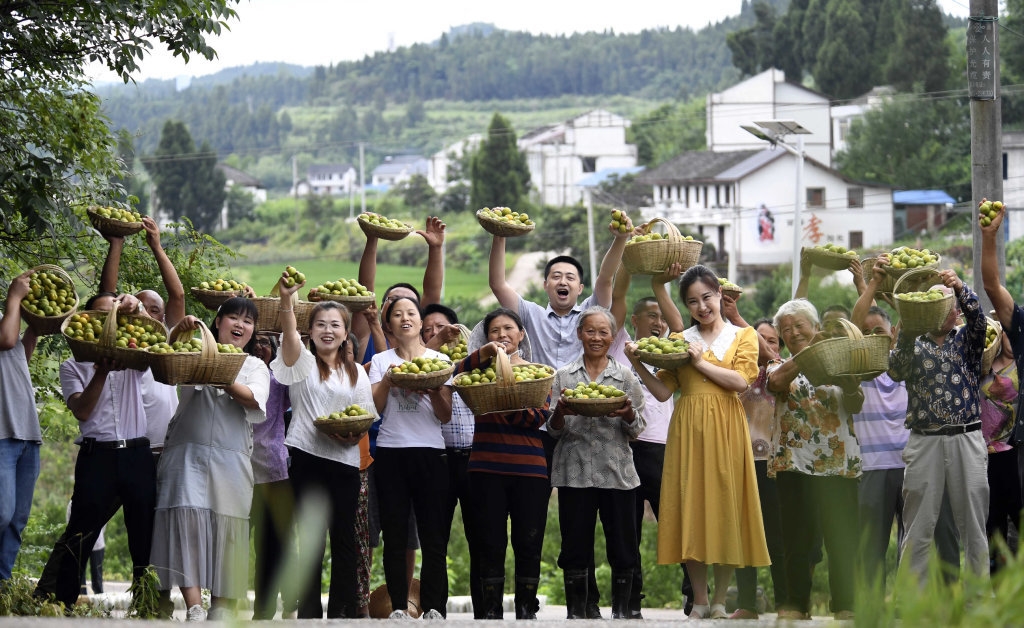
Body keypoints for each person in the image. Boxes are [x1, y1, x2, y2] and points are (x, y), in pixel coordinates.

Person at [488, 216, 632, 617]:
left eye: (570, 276)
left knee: (594, 512)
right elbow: (499, 284)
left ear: (580, 288)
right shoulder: (530, 314)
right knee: (539, 516)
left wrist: (620, 239)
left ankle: (601, 603)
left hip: (587, 426)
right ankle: (539, 602)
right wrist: (500, 235)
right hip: (542, 427)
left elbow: (607, 277)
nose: (563, 281)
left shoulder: (591, 316)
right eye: (556, 276)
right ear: (547, 284)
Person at [625, 264, 768, 620]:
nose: (702, 307)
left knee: (726, 508)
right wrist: (637, 364)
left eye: (707, 297)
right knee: (692, 509)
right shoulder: (679, 339)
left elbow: (739, 383)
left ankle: (721, 600)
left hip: (727, 428)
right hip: (688, 428)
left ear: (720, 295)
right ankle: (700, 601)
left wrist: (700, 363)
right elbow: (661, 392)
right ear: (686, 306)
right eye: (692, 302)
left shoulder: (743, 336)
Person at [149, 298, 270, 621]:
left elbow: (253, 398)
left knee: (227, 527)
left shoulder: (255, 366)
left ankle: (220, 606)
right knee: (186, 523)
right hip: (187, 452)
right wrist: (181, 333)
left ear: (253, 330)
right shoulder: (194, 353)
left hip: (232, 460)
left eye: (248, 321)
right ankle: (194, 606)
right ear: (218, 322)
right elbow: (168, 363)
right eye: (233, 317)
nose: (240, 325)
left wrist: (223, 375)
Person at [35, 292, 156, 610]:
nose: (109, 323)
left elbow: (158, 341)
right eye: (102, 316)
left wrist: (138, 307)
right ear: (86, 321)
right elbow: (82, 411)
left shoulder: (134, 355)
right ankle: (62, 602)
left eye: (115, 315)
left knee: (143, 533)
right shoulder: (72, 366)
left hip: (136, 455)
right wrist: (101, 371)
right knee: (80, 532)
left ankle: (146, 604)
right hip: (96, 457)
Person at [272, 276, 374, 619]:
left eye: (335, 325)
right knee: (310, 542)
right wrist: (288, 300)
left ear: (346, 333)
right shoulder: (299, 363)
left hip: (345, 462)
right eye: (320, 325)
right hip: (306, 458)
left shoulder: (357, 373)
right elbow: (288, 334)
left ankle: (342, 613)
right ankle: (310, 614)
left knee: (344, 540)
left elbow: (366, 416)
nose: (327, 331)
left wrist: (349, 435)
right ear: (311, 331)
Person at [850, 282, 961, 588]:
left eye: (880, 331)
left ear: (893, 332)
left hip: (914, 463)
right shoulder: (857, 366)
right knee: (871, 544)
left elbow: (912, 322)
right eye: (867, 332)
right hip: (873, 466)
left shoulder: (910, 362)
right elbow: (855, 320)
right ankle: (870, 608)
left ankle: (909, 605)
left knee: (916, 542)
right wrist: (871, 285)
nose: (874, 336)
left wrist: (903, 301)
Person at [887, 259, 988, 583]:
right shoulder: (912, 344)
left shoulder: (967, 340)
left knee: (974, 524)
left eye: (954, 305)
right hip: (925, 439)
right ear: (931, 309)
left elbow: (979, 320)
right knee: (918, 524)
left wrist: (960, 287)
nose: (955, 311)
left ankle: (978, 599)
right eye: (947, 306)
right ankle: (909, 600)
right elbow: (896, 370)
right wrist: (907, 329)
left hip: (967, 437)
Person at [766, 299, 862, 621]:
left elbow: (856, 402)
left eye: (800, 326)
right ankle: (796, 603)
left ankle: (846, 604)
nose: (793, 333)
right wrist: (809, 355)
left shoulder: (840, 362)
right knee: (797, 538)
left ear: (816, 328)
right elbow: (776, 384)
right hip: (795, 464)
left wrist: (847, 381)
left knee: (841, 538)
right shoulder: (778, 366)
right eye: (786, 329)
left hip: (839, 464)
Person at [454, 307, 550, 619]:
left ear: (521, 334)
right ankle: (491, 612)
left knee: (529, 542)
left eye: (508, 328)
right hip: (485, 468)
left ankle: (526, 609)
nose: (502, 335)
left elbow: (538, 416)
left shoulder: (538, 373)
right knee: (489, 543)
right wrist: (483, 355)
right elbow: (455, 375)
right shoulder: (478, 377)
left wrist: (505, 405)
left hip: (530, 470)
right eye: (494, 331)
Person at [550, 306, 645, 620]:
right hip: (574, 471)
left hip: (616, 471)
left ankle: (622, 611)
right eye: (590, 331)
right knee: (575, 546)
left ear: (612, 336)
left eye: (603, 332)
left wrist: (629, 414)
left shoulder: (625, 377)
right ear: (580, 334)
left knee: (623, 547)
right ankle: (577, 611)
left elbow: (637, 427)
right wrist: (561, 413)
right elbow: (552, 429)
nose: (596, 337)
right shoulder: (562, 377)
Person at [368, 295, 453, 620]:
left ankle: (434, 607)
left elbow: (444, 416)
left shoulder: (439, 360)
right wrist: (389, 380)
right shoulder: (381, 361)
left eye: (411, 313)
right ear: (389, 324)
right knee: (395, 535)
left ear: (420, 321)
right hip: (391, 453)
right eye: (397, 314)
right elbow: (375, 409)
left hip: (431, 454)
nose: (405, 318)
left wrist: (434, 390)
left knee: (434, 535)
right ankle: (400, 607)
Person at [606, 266, 676, 619]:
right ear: (633, 320)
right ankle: (629, 600)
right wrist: (628, 266)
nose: (658, 322)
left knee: (676, 523)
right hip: (624, 447)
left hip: (662, 450)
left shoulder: (672, 351)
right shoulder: (620, 346)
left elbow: (681, 325)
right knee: (625, 528)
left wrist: (661, 286)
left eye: (662, 316)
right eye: (651, 315)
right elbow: (616, 296)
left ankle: (695, 594)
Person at [98, 218, 186, 454]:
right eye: (140, 306)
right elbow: (106, 298)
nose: (146, 313)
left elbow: (178, 296)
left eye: (154, 310)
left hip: (168, 447)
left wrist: (156, 246)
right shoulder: (123, 343)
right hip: (132, 450)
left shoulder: (168, 341)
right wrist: (116, 245)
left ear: (163, 318)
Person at [420, 303, 486, 617]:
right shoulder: (420, 367)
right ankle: (434, 609)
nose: (435, 333)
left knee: (481, 539)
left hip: (476, 460)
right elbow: (422, 362)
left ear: (457, 331)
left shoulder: (477, 365)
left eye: (442, 328)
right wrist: (432, 349)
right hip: (439, 459)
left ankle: (486, 612)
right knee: (434, 540)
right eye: (428, 330)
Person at [731, 319, 786, 619]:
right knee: (743, 536)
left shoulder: (782, 371)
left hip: (775, 464)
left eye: (773, 340)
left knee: (777, 537)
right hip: (740, 462)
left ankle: (785, 603)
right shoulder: (738, 372)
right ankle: (747, 603)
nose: (767, 344)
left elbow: (774, 360)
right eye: (759, 338)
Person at [980, 200, 1024, 563]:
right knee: (994, 535)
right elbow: (992, 284)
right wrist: (989, 238)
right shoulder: (1020, 327)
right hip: (1003, 453)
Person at [250, 333, 296, 620]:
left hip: (272, 469)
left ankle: (264, 612)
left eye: (266, 342)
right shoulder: (233, 373)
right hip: (235, 468)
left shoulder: (279, 381)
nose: (259, 346)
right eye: (256, 341)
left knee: (271, 545)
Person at [0, 270, 40, 585]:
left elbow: (18, 355)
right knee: (1, 512)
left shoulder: (5, 316)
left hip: (26, 430)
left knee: (16, 520)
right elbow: (6, 340)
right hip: (2, 433)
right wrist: (15, 299)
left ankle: (1, 584)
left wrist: (35, 329)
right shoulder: (6, 317)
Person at [979, 324, 1021, 574]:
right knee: (992, 522)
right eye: (1009, 332)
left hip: (1013, 453)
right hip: (982, 454)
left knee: (1017, 513)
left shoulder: (1021, 367)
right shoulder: (984, 363)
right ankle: (998, 583)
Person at [66, 500, 104, 595]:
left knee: (97, 572)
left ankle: (99, 597)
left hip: (97, 543)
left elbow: (104, 521)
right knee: (80, 573)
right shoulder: (73, 503)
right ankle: (81, 597)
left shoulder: (100, 500)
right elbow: (69, 522)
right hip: (80, 543)